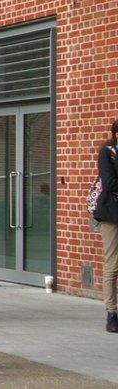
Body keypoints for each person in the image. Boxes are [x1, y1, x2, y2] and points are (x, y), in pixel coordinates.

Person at [92, 120, 118, 333]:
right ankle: (111, 312)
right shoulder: (107, 154)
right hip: (112, 214)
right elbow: (110, 183)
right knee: (113, 263)